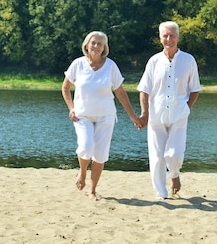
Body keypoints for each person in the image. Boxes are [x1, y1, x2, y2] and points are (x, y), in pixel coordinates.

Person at [62, 31, 143, 200]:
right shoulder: (78, 64)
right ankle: (82, 171)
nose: (96, 46)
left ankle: (92, 191)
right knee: (85, 147)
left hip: (106, 116)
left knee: (100, 154)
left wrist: (133, 116)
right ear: (86, 45)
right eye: (93, 43)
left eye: (100, 44)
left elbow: (120, 92)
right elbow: (65, 87)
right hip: (82, 115)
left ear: (104, 47)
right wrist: (71, 108)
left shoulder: (111, 66)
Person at [138, 21, 200, 199]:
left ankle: (174, 173)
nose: (169, 39)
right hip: (156, 115)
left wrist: (186, 108)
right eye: (165, 35)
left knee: (175, 153)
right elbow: (144, 90)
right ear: (160, 38)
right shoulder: (154, 61)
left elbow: (195, 89)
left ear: (178, 37)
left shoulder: (188, 60)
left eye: (172, 35)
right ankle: (161, 193)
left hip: (179, 114)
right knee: (157, 157)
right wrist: (144, 113)